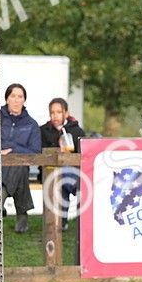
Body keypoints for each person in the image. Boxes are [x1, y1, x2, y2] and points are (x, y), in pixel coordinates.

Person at [0, 83, 42, 233]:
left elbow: (36, 153)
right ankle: (22, 215)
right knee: (20, 169)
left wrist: (13, 149)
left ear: (24, 100)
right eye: (13, 96)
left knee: (18, 165)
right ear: (7, 99)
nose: (16, 100)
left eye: (20, 97)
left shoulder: (31, 124)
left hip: (18, 166)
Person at [39, 97, 85, 232]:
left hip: (73, 171)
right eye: (52, 112)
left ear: (66, 113)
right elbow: (40, 153)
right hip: (49, 171)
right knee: (62, 178)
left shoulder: (77, 131)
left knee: (65, 178)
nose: (55, 116)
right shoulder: (43, 131)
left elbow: (83, 155)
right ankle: (78, 191)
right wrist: (58, 149)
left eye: (59, 112)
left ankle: (62, 221)